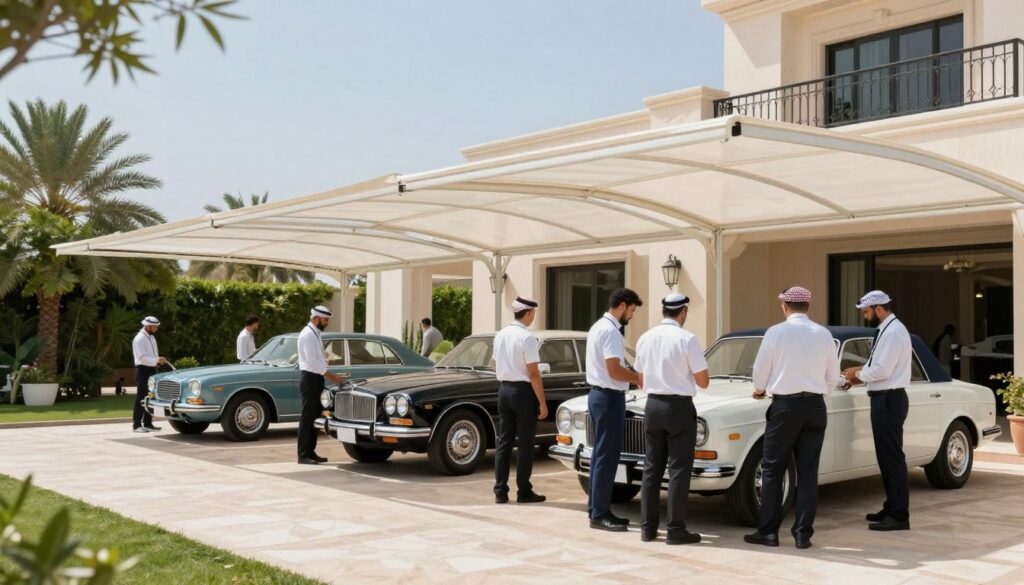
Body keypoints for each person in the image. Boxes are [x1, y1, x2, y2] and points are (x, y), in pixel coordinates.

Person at [744, 287, 839, 550]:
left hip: (785, 406)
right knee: (808, 472)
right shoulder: (823, 333)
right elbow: (833, 376)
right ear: (808, 307)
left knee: (774, 468)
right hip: (815, 407)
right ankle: (802, 534)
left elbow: (761, 370)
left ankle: (769, 532)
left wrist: (760, 389)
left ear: (785, 306)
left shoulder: (776, 332)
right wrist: (818, 394)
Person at [634, 293, 709, 545]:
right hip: (678, 407)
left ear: (663, 310)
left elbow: (640, 377)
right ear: (683, 312)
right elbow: (703, 381)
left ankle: (647, 528)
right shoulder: (687, 338)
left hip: (652, 405)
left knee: (652, 467)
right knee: (678, 469)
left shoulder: (645, 337)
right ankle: (676, 529)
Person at [843, 290, 913, 532]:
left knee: (892, 457)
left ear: (879, 309)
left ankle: (899, 515)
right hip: (883, 398)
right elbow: (878, 365)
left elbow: (882, 371)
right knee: (886, 456)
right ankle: (891, 507)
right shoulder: (887, 329)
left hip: (889, 400)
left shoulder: (893, 332)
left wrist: (856, 374)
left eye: (866, 312)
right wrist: (858, 374)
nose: (865, 316)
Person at [586, 288, 643, 532]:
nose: (631, 316)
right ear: (621, 306)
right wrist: (639, 377)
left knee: (601, 455)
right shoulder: (610, 331)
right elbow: (614, 370)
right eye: (631, 311)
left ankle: (596, 508)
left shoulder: (598, 326)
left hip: (599, 395)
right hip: (608, 397)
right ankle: (600, 514)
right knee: (607, 457)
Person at [492, 296, 548, 505]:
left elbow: (494, 363)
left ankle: (500, 491)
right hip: (523, 392)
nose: (533, 317)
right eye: (533, 313)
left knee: (504, 443)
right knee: (525, 444)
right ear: (528, 313)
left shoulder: (501, 335)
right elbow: (534, 373)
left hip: (504, 389)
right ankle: (524, 490)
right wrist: (542, 402)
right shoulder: (527, 338)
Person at [297, 305, 345, 465]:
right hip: (310, 378)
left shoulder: (315, 333)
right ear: (316, 318)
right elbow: (311, 363)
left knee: (315, 416)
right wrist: (332, 377)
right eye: (325, 320)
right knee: (308, 417)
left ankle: (311, 452)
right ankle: (303, 454)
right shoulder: (308, 335)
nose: (327, 323)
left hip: (316, 378)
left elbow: (318, 360)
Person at [132, 316, 167, 434]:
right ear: (148, 326)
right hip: (142, 370)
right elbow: (142, 358)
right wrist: (157, 360)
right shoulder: (139, 339)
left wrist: (157, 361)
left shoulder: (151, 337)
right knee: (141, 397)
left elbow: (152, 355)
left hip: (152, 369)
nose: (156, 329)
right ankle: (136, 425)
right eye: (155, 327)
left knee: (151, 396)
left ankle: (148, 423)